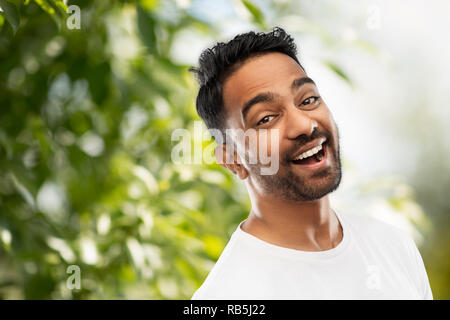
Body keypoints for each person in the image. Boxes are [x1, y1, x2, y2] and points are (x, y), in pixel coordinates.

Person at [189, 27, 432, 299]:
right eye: (267, 118)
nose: (305, 125)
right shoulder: (227, 296)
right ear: (232, 159)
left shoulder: (393, 246)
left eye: (308, 100)